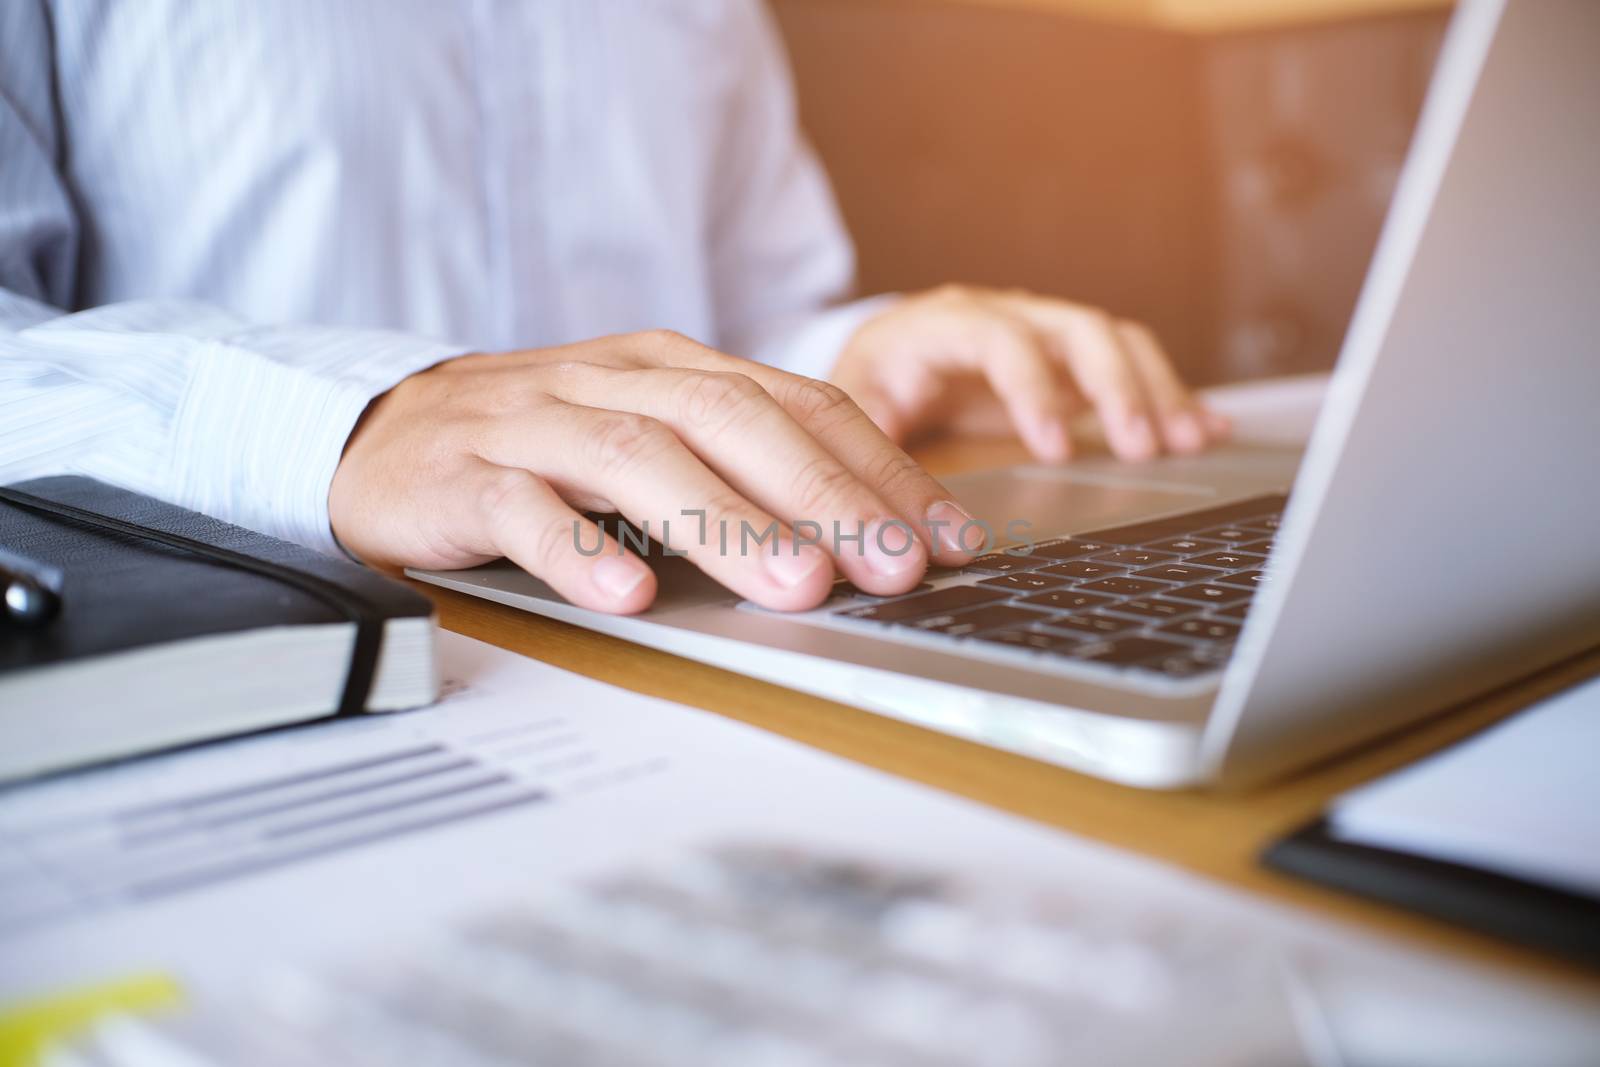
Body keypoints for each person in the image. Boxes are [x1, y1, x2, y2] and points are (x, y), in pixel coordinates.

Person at [0, 1, 1226, 616]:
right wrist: (346, 423)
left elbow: (742, 307)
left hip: (705, 621)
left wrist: (849, 355)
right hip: (286, 644)